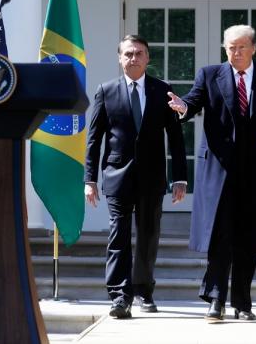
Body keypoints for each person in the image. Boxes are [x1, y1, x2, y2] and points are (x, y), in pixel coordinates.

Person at [167, 25, 256, 321]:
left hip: (255, 170)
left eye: (241, 47)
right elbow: (193, 100)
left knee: (249, 238)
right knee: (219, 235)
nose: (235, 53)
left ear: (254, 48)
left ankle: (243, 302)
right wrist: (182, 107)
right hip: (218, 169)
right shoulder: (210, 74)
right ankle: (216, 299)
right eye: (230, 47)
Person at [85, 35, 187, 319]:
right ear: (120, 58)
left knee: (148, 236)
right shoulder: (106, 91)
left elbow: (176, 139)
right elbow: (94, 140)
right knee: (118, 235)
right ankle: (119, 296)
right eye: (128, 54)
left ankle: (144, 291)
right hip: (117, 177)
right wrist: (89, 179)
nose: (133, 58)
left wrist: (180, 177)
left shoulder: (163, 91)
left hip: (153, 177)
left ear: (148, 58)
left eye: (139, 53)